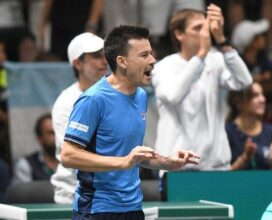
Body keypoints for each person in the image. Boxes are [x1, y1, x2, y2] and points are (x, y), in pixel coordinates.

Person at [61, 25, 199, 219]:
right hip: (96, 210)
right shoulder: (93, 100)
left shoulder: (141, 96)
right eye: (144, 55)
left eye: (151, 53)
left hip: (133, 208)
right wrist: (123, 162)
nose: (152, 60)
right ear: (122, 61)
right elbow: (68, 155)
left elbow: (132, 153)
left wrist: (167, 162)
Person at [152, 4, 252, 172]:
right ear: (179, 34)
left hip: (216, 165)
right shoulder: (164, 67)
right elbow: (173, 96)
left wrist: (222, 40)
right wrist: (200, 57)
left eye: (206, 28)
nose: (205, 34)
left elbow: (244, 81)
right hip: (178, 167)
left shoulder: (216, 59)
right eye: (198, 28)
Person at [50, 32, 107, 204]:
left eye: (106, 55)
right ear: (77, 63)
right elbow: (73, 156)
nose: (104, 61)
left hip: (111, 194)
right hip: (74, 194)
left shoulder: (117, 96)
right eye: (97, 56)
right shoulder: (66, 103)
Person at [231, 19, 272, 135]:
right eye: (260, 36)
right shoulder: (238, 60)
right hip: (244, 100)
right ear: (251, 42)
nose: (264, 39)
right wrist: (258, 78)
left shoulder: (263, 58)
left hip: (267, 101)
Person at [226, 81, 272, 170]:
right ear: (239, 102)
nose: (263, 100)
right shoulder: (227, 132)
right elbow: (220, 176)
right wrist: (244, 159)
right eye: (255, 96)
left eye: (262, 94)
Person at [13, 113, 59, 182]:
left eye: (59, 132)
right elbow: (24, 192)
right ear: (40, 138)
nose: (57, 136)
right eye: (51, 133)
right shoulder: (26, 165)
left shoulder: (72, 164)